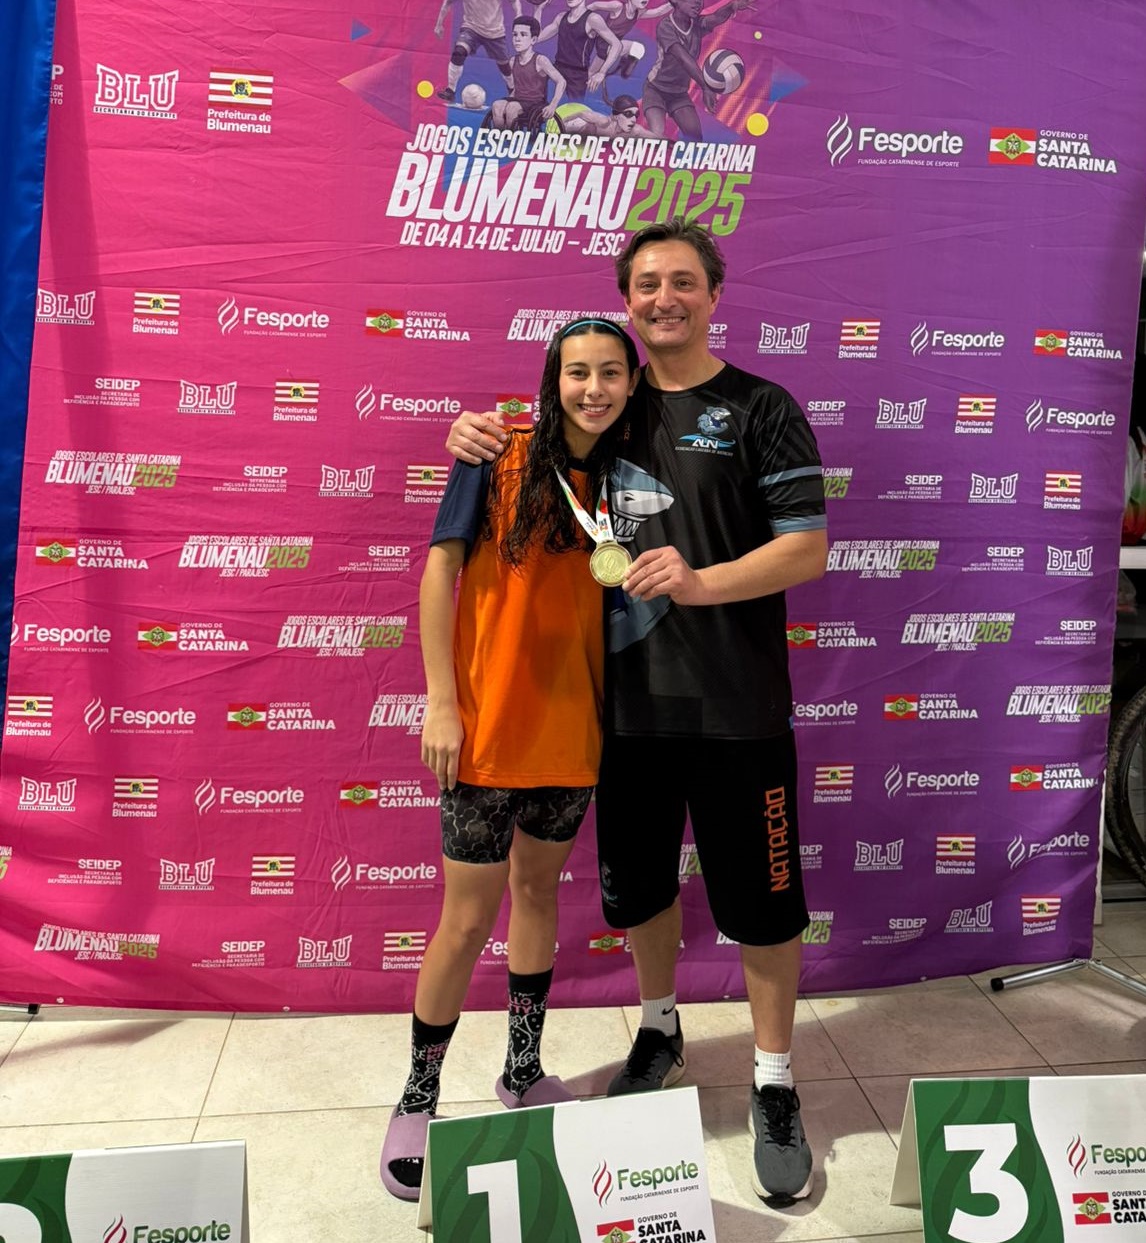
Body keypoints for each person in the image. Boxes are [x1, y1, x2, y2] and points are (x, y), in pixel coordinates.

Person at [445, 218, 828, 1208]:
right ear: (626, 301)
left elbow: (807, 546)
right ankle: (659, 1027)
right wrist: (472, 436)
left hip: (741, 711)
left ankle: (775, 1079)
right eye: (648, 283)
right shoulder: (606, 410)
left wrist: (700, 583)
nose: (665, 298)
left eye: (684, 281)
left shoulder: (762, 407)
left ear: (714, 294)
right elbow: (525, 446)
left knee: (764, 906)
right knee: (643, 891)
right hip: (623, 716)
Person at [379, 319, 640, 1202]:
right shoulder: (496, 451)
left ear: (631, 386)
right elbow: (439, 572)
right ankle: (418, 1097)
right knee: (463, 920)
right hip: (486, 733)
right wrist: (441, 701)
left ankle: (521, 1070)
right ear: (551, 379)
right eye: (578, 372)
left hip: (574, 735)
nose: (594, 388)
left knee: (537, 894)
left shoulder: (633, 477)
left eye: (612, 373)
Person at [642, 0, 754, 139]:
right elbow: (683, 58)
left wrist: (732, 6)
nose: (698, 3)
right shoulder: (666, 26)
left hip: (679, 93)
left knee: (695, 137)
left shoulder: (697, 24)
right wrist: (705, 87)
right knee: (657, 135)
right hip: (656, 89)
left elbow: (716, 17)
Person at [490, 15, 567, 130]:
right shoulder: (512, 61)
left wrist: (553, 105)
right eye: (515, 34)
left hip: (535, 103)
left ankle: (512, 137)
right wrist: (507, 100)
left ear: (533, 40)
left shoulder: (540, 60)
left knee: (512, 108)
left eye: (523, 34)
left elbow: (561, 81)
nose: (517, 39)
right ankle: (499, 136)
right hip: (517, 100)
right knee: (497, 105)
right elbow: (514, 86)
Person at [537, 0, 623, 101]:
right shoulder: (561, 17)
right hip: (557, 70)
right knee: (546, 106)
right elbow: (537, 37)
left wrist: (602, 72)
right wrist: (539, 9)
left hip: (577, 76)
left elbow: (617, 45)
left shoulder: (592, 19)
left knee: (572, 109)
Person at [434, 0, 515, 103]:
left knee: (504, 65)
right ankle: (450, 91)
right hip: (471, 28)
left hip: (495, 32)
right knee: (459, 53)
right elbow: (448, 2)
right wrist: (439, 24)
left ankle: (512, 89)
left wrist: (519, 15)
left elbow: (514, 1)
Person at [561, 92, 657, 137]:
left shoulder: (635, 130)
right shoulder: (604, 122)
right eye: (628, 114)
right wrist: (563, 121)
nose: (633, 120)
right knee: (590, 128)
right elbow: (581, 113)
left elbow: (657, 139)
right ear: (616, 116)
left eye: (636, 115)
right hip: (575, 124)